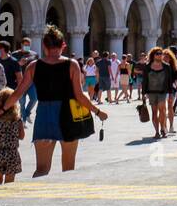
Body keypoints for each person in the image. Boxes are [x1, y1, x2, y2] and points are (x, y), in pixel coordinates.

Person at [7, 25, 108, 175]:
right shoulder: (72, 64)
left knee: (41, 169)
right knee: (68, 168)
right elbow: (79, 96)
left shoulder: (33, 66)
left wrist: (1, 109)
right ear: (63, 45)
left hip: (44, 117)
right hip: (68, 117)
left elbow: (17, 93)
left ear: (44, 46)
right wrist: (98, 112)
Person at [142, 48, 174, 139]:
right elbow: (144, 81)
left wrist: (171, 94)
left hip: (162, 92)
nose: (160, 55)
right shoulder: (147, 67)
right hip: (151, 92)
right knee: (154, 112)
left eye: (161, 53)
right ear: (153, 55)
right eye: (157, 53)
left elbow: (169, 81)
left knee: (162, 110)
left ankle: (163, 129)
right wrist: (143, 94)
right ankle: (156, 131)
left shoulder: (166, 66)